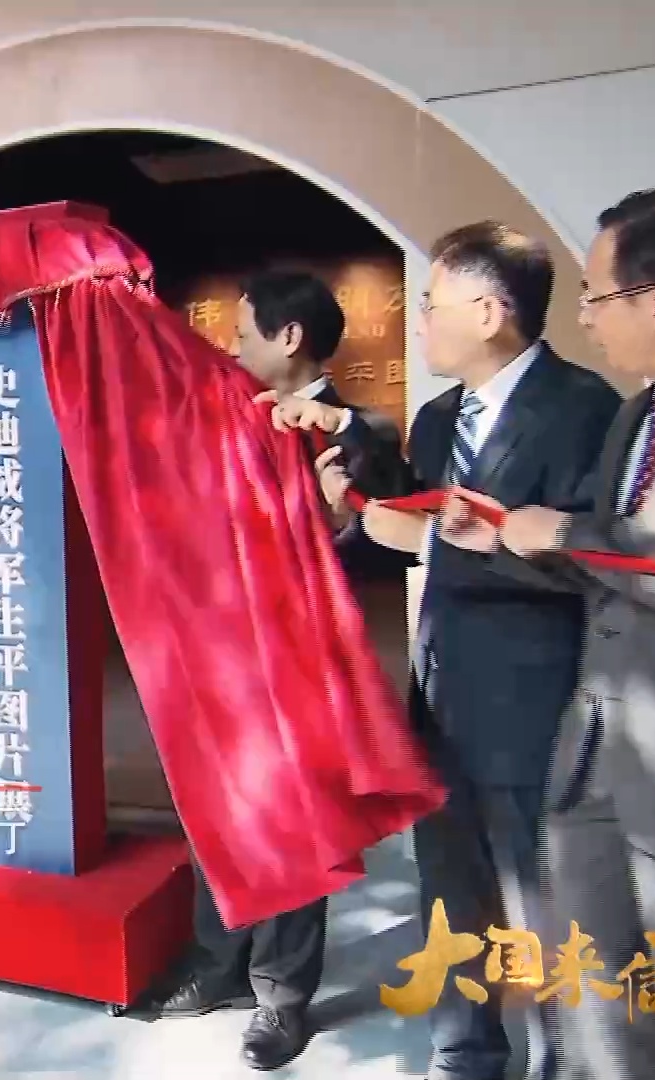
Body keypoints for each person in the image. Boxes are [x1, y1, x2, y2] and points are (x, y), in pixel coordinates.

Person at [449, 185, 655, 1080]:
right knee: (607, 1021)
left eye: (596, 296)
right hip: (596, 763)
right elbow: (612, 569)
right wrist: (508, 541)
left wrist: (569, 533)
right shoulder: (640, 413)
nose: (586, 318)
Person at [329, 223, 622, 1080]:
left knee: (546, 904)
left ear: (489, 312)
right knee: (451, 888)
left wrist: (445, 545)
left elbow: (593, 565)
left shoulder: (584, 409)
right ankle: (464, 1052)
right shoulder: (437, 417)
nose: (419, 320)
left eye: (431, 304)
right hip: (443, 691)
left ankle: (566, 1061)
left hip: (538, 700)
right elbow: (415, 531)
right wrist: (356, 510)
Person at [136, 269, 412, 1070]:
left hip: (302, 661)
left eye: (243, 333)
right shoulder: (225, 417)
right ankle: (217, 962)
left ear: (290, 338)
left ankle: (282, 996)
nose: (230, 348)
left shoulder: (357, 430)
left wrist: (334, 472)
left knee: (296, 822)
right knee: (217, 805)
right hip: (223, 652)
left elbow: (383, 515)